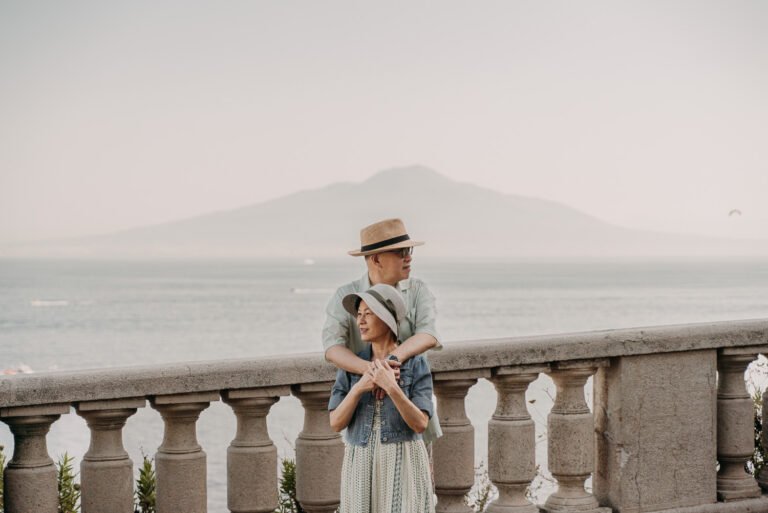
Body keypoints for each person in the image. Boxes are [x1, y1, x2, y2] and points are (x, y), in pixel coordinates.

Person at [322, 218, 442, 442]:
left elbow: (428, 335)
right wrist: (373, 372)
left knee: (419, 476)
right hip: (363, 426)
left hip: (413, 422)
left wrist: (390, 361)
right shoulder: (345, 295)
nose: (409, 256)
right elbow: (332, 348)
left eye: (410, 249)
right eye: (401, 251)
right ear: (376, 258)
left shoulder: (417, 290)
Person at [329, 283, 435, 513]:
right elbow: (336, 422)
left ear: (387, 319)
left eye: (368, 313)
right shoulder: (351, 366)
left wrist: (391, 387)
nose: (361, 321)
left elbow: (420, 424)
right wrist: (360, 387)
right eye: (359, 314)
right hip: (361, 461)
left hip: (403, 459)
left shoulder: (416, 364)